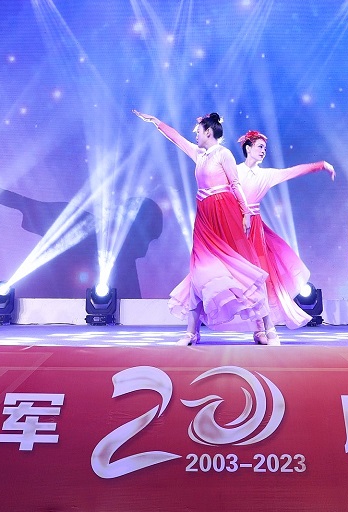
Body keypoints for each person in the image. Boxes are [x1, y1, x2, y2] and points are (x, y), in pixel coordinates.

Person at [135, 109, 273, 345]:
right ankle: (191, 332)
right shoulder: (198, 154)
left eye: (198, 131)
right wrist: (157, 122)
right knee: (199, 270)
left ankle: (264, 328)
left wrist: (246, 213)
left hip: (225, 214)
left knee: (241, 267)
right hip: (204, 218)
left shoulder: (223, 154)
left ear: (208, 132)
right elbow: (177, 138)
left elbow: (235, 184)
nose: (196, 135)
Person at [235, 130, 334, 338]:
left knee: (260, 277)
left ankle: (263, 327)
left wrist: (321, 165)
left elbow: (292, 171)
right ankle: (197, 327)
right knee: (234, 276)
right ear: (248, 148)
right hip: (234, 227)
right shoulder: (234, 171)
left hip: (255, 230)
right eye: (260, 147)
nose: (263, 151)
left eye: (265, 148)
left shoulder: (266, 175)